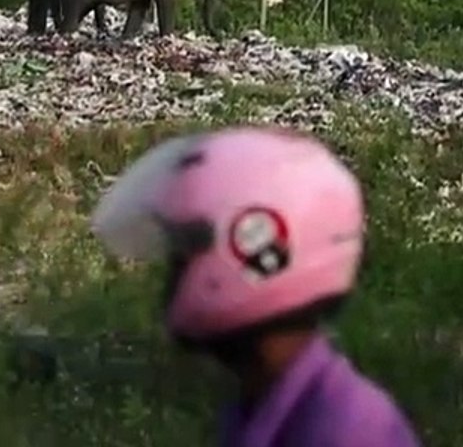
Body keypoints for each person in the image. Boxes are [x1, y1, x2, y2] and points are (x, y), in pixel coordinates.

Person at [90, 126, 421, 447]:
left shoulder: (343, 434)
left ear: (250, 247)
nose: (174, 279)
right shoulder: (267, 406)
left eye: (185, 254)